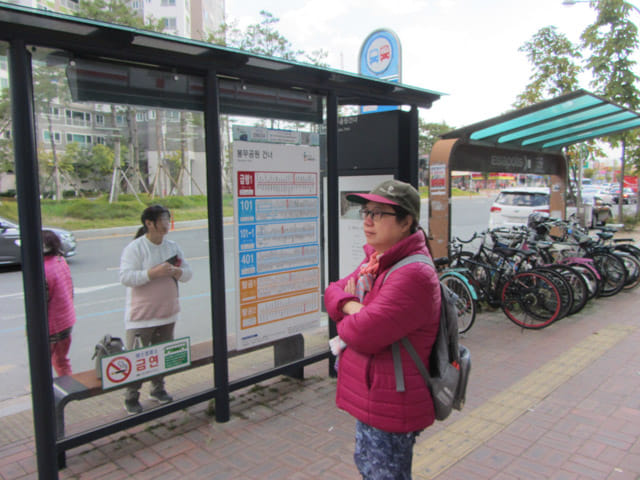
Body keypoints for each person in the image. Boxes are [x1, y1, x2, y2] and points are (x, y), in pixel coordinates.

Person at [324, 179, 441, 480]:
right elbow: (332, 291)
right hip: (377, 396)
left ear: (406, 222)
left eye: (378, 213)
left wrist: (351, 313)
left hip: (392, 405)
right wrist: (353, 307)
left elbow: (362, 334)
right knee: (369, 469)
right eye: (365, 211)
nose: (367, 220)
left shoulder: (414, 273)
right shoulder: (378, 261)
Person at [119, 205, 193, 415]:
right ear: (149, 223)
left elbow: (188, 273)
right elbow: (125, 277)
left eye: (168, 220)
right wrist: (153, 273)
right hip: (141, 316)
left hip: (167, 312)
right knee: (137, 358)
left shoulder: (172, 247)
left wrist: (177, 271)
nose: (166, 224)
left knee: (162, 355)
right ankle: (131, 397)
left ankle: (158, 389)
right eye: (163, 220)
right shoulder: (135, 248)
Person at [43, 230, 76, 377]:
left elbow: (41, 303)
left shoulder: (43, 270)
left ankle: (48, 395)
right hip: (66, 320)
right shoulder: (60, 261)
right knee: (61, 360)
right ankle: (68, 388)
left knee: (43, 362)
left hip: (52, 326)